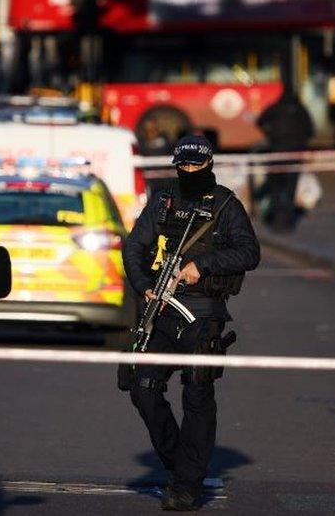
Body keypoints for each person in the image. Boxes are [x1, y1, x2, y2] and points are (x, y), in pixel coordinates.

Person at [123, 135, 260, 511]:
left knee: (197, 394)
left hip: (203, 315)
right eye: (182, 166)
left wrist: (203, 266)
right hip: (162, 310)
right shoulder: (164, 200)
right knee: (142, 387)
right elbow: (134, 247)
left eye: (196, 167)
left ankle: (185, 485)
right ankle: (180, 463)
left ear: (209, 164)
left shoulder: (226, 205)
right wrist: (144, 287)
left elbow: (250, 252)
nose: (188, 172)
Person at [256, 88, 314, 231]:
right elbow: (311, 130)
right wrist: (301, 141)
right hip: (295, 155)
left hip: (277, 152)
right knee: (290, 189)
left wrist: (270, 134)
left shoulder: (275, 108)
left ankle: (276, 222)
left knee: (275, 188)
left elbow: (260, 121)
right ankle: (288, 223)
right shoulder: (301, 110)